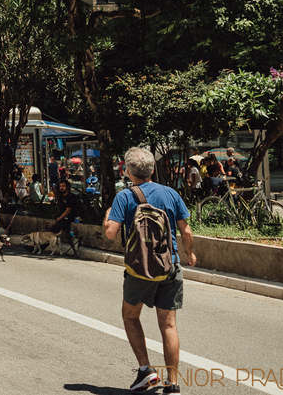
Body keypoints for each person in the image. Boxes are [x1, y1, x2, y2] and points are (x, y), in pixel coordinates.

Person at [103, 147, 196, 395]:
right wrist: (189, 254)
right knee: (168, 325)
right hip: (170, 265)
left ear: (127, 171)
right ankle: (173, 383)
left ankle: (146, 370)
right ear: (153, 169)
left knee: (131, 315)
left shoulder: (124, 196)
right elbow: (186, 231)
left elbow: (111, 232)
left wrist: (107, 217)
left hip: (138, 269)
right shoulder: (171, 193)